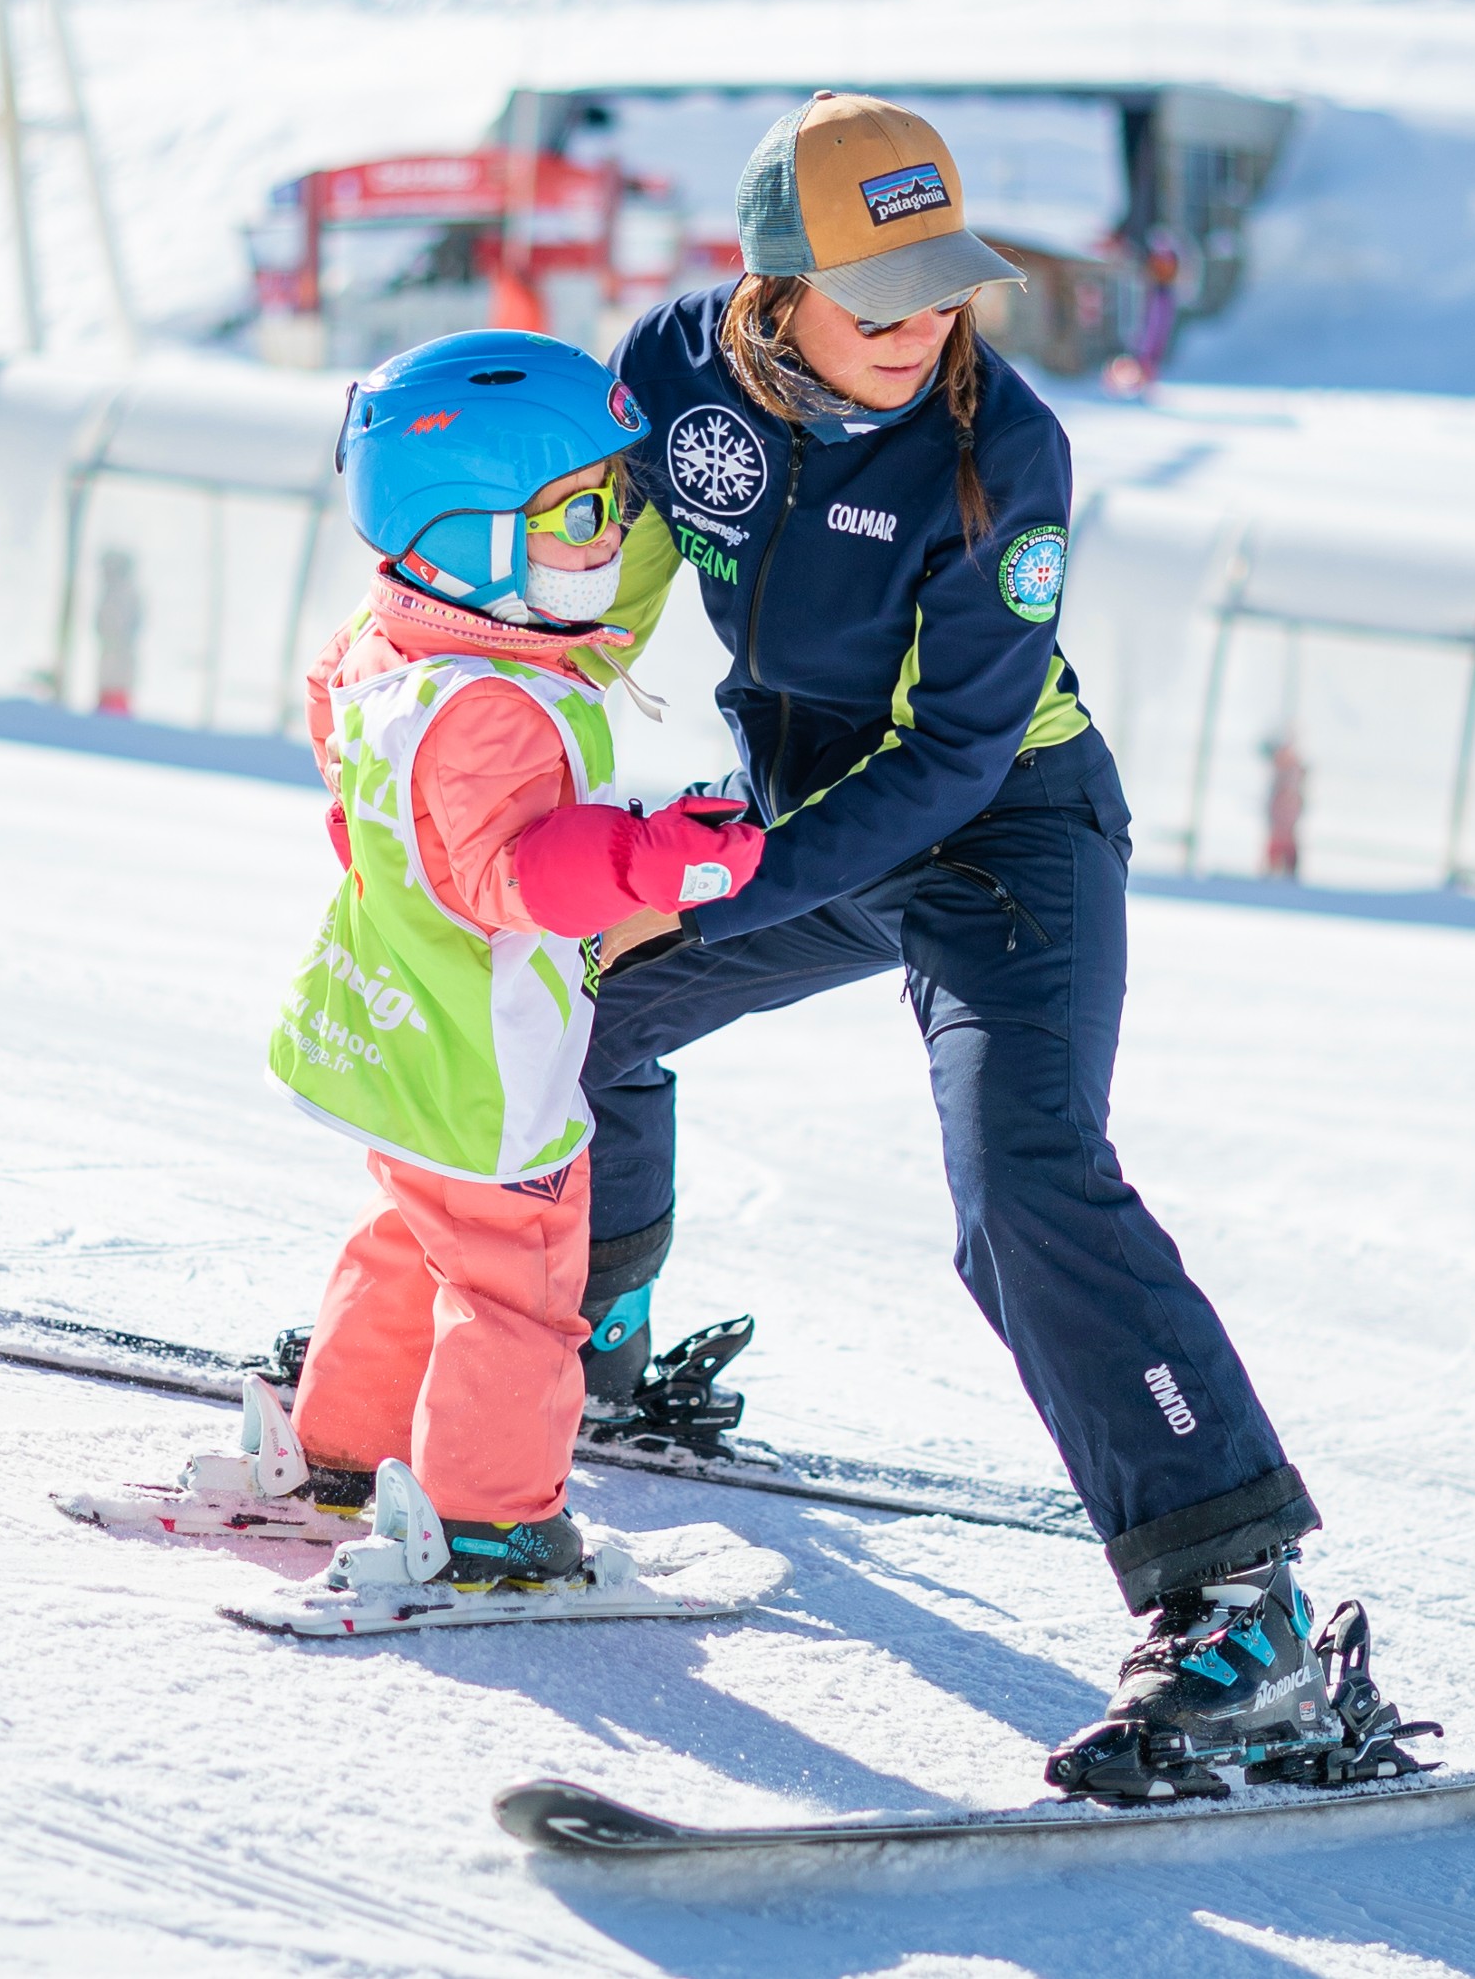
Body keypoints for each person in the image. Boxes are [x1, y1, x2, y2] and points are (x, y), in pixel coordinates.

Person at [574, 93, 1403, 1794]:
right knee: (571, 1008)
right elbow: (599, 591)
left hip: (1001, 840)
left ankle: (1235, 1606)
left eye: (939, 290)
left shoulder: (995, 446)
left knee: (1019, 1179)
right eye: (874, 298)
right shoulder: (667, 370)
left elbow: (951, 753)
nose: (916, 329)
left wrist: (717, 880)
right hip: (798, 806)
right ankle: (586, 1341)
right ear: (773, 283)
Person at [84, 332, 763, 1592]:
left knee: (413, 1232)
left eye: (617, 497)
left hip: (390, 1023)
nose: (612, 535)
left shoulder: (395, 644)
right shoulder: (496, 707)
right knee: (517, 1287)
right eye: (578, 510)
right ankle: (495, 1520)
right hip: (481, 1059)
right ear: (473, 540)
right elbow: (514, 874)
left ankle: (342, 1445)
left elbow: (354, 774)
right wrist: (671, 856)